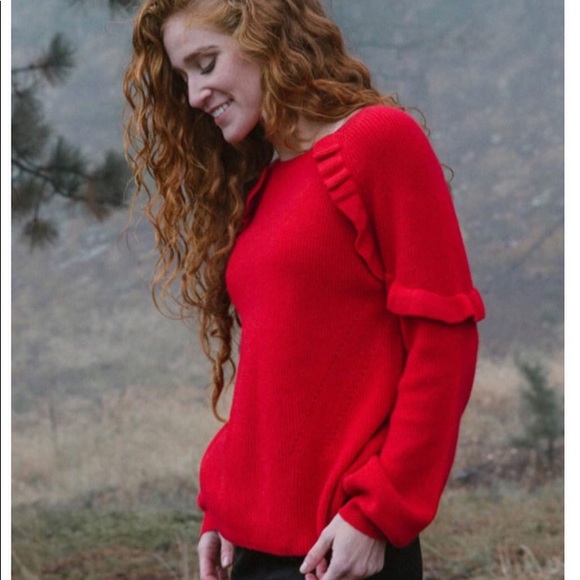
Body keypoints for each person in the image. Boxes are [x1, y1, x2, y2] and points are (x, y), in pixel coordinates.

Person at [123, 1, 485, 578]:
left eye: (206, 63)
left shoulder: (377, 140)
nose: (193, 95)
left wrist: (378, 513)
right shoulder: (265, 185)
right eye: (183, 76)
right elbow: (276, 377)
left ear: (265, 36)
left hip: (341, 547)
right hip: (249, 546)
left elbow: (444, 340)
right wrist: (223, 502)